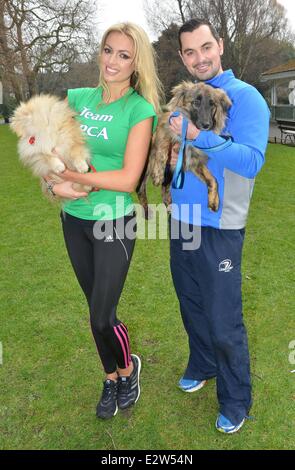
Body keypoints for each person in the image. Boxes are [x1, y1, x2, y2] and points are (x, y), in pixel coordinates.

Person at [46, 22, 162, 419]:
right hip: (73, 221)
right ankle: (110, 377)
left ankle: (129, 370)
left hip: (114, 221)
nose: (112, 61)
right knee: (94, 311)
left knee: (102, 315)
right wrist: (51, 184)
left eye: (124, 55)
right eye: (108, 50)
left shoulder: (139, 109)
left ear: (136, 64)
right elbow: (46, 150)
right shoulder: (77, 98)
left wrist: (74, 178)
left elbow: (128, 179)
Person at [168, 18, 269, 433]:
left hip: (221, 225)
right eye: (190, 52)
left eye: (205, 47)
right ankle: (203, 363)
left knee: (223, 317)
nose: (199, 58)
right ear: (182, 57)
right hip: (181, 222)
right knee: (190, 303)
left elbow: (251, 160)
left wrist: (197, 134)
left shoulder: (246, 98)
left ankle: (236, 400)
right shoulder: (186, 95)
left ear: (220, 45)